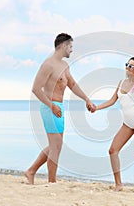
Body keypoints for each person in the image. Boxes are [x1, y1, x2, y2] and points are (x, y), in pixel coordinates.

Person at [24, 33, 95, 184]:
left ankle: (31, 171)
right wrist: (51, 105)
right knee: (56, 147)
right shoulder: (48, 65)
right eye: (70, 47)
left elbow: (72, 85)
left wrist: (86, 99)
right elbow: (36, 89)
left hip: (59, 108)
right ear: (63, 46)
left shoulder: (64, 66)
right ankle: (52, 182)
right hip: (49, 107)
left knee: (55, 146)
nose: (71, 50)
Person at [93, 57, 134, 193]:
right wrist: (96, 108)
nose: (127, 67)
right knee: (113, 150)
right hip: (127, 122)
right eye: (127, 64)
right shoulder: (121, 82)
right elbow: (112, 100)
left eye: (131, 66)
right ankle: (118, 184)